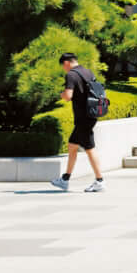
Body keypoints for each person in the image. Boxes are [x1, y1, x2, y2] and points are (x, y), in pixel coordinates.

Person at [50, 53, 112, 192]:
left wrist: (61, 94)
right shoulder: (87, 72)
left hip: (83, 118)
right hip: (91, 114)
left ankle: (99, 180)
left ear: (66, 63)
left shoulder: (71, 75)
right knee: (72, 145)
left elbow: (68, 96)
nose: (64, 69)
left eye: (63, 66)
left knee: (89, 148)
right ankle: (65, 179)